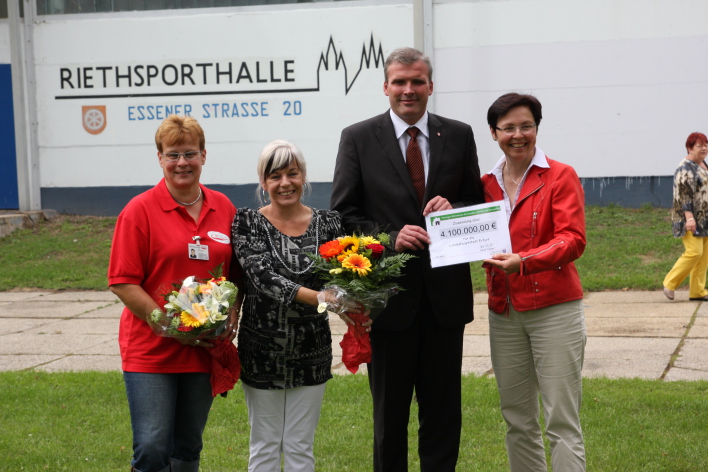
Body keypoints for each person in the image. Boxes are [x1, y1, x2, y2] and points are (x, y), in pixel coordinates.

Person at [331, 47, 484, 471]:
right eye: (399, 81)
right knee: (389, 418)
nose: (408, 89)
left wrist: (455, 210)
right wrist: (390, 236)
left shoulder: (458, 134)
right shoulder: (358, 137)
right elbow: (344, 216)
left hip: (444, 301)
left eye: (417, 81)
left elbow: (476, 200)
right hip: (387, 302)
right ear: (385, 87)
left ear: (431, 86)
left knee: (443, 415)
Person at [108, 115, 239, 472]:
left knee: (187, 446)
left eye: (190, 153)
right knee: (152, 447)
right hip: (152, 350)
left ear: (204, 156)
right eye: (173, 154)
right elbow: (122, 280)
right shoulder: (139, 211)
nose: (182, 162)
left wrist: (230, 316)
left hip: (203, 347)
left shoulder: (224, 208)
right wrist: (166, 324)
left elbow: (236, 275)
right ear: (160, 158)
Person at [482, 93, 587, 472]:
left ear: (537, 129)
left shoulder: (561, 175)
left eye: (526, 125)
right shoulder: (486, 184)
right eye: (508, 127)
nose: (518, 134)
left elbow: (573, 239)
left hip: (555, 310)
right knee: (517, 420)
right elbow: (467, 232)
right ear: (494, 133)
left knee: (561, 419)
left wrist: (524, 261)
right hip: (504, 312)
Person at [232, 140, 346, 472]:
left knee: (299, 447)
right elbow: (261, 277)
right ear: (263, 182)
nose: (285, 183)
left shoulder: (329, 223)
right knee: (265, 445)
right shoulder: (247, 222)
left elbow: (340, 278)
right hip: (261, 350)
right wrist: (320, 299)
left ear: (303, 176)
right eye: (275, 176)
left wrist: (351, 304)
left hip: (312, 348)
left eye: (292, 174)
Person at [663, 132, 708, 301]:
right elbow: (684, 195)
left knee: (704, 256)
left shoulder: (702, 164)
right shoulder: (685, 167)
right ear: (690, 148)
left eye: (706, 145)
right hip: (690, 219)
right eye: (699, 146)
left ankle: (698, 291)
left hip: (704, 218)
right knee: (694, 252)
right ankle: (669, 283)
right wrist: (689, 218)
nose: (704, 148)